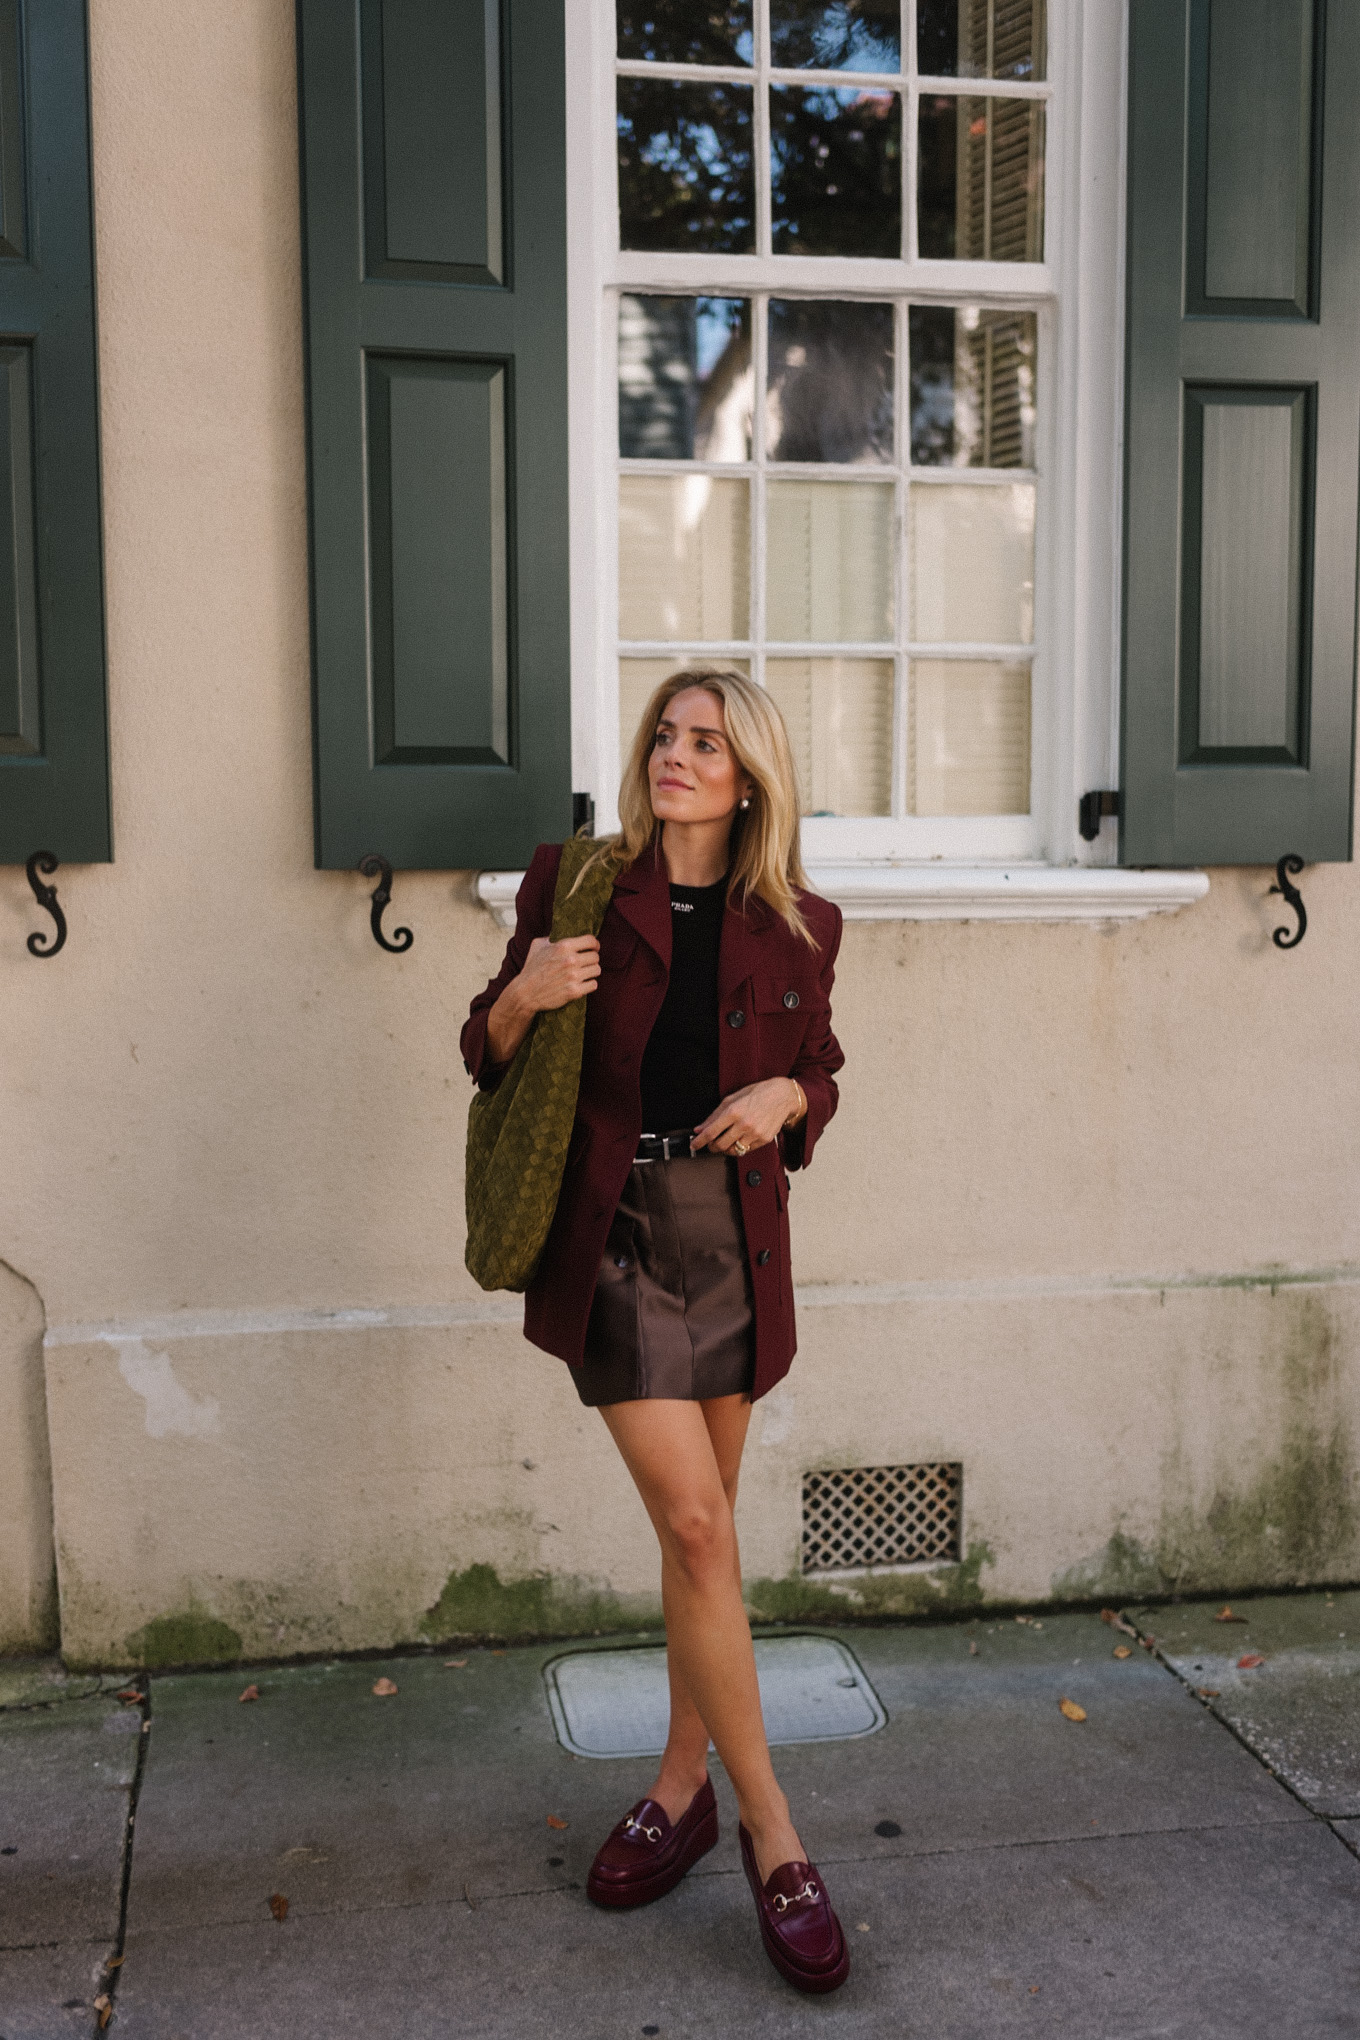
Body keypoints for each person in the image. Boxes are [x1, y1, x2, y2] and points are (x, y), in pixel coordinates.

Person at [460, 669, 848, 1994]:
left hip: (731, 1242)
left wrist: (792, 1091)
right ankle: (775, 1838)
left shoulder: (800, 923)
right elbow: (484, 1048)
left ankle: (681, 1786)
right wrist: (524, 992)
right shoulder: (574, 886)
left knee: (709, 1552)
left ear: (749, 777)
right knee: (694, 1527)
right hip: (615, 1238)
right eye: (666, 737)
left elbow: (827, 1069)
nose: (677, 757)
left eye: (707, 743)